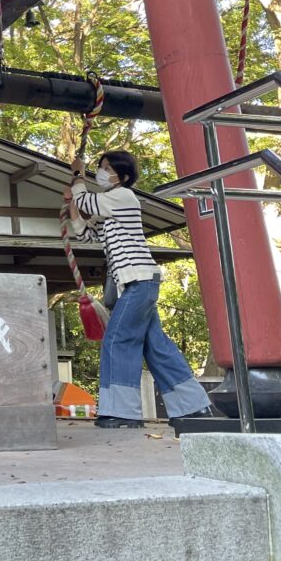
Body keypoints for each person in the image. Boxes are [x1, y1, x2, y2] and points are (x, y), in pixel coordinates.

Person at [66, 149, 212, 429]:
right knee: (155, 345)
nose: (102, 172)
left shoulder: (122, 197)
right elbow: (87, 234)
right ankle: (193, 407)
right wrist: (73, 204)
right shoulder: (109, 208)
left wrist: (77, 175)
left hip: (139, 280)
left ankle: (122, 412)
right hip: (138, 282)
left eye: (107, 168)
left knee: (117, 339)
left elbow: (86, 199)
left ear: (123, 177)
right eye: (101, 167)